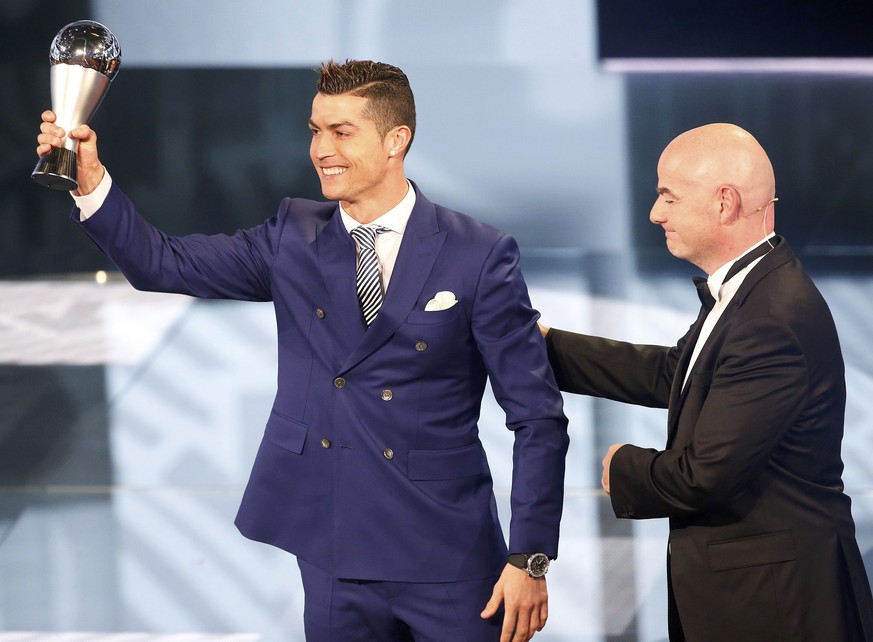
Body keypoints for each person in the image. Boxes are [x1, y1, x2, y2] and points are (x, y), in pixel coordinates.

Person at [36, 60, 569, 642]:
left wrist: (529, 559)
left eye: (342, 132)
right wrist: (90, 181)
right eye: (315, 130)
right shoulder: (293, 235)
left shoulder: (479, 254)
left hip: (446, 552)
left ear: (397, 140)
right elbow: (161, 261)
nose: (321, 149)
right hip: (332, 548)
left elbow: (537, 417)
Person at [541, 123, 873, 641]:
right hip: (760, 596)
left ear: (725, 203)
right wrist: (544, 347)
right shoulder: (753, 291)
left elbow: (704, 476)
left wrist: (623, 466)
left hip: (778, 607)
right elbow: (676, 375)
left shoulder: (771, 316)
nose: (655, 213)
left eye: (668, 196)